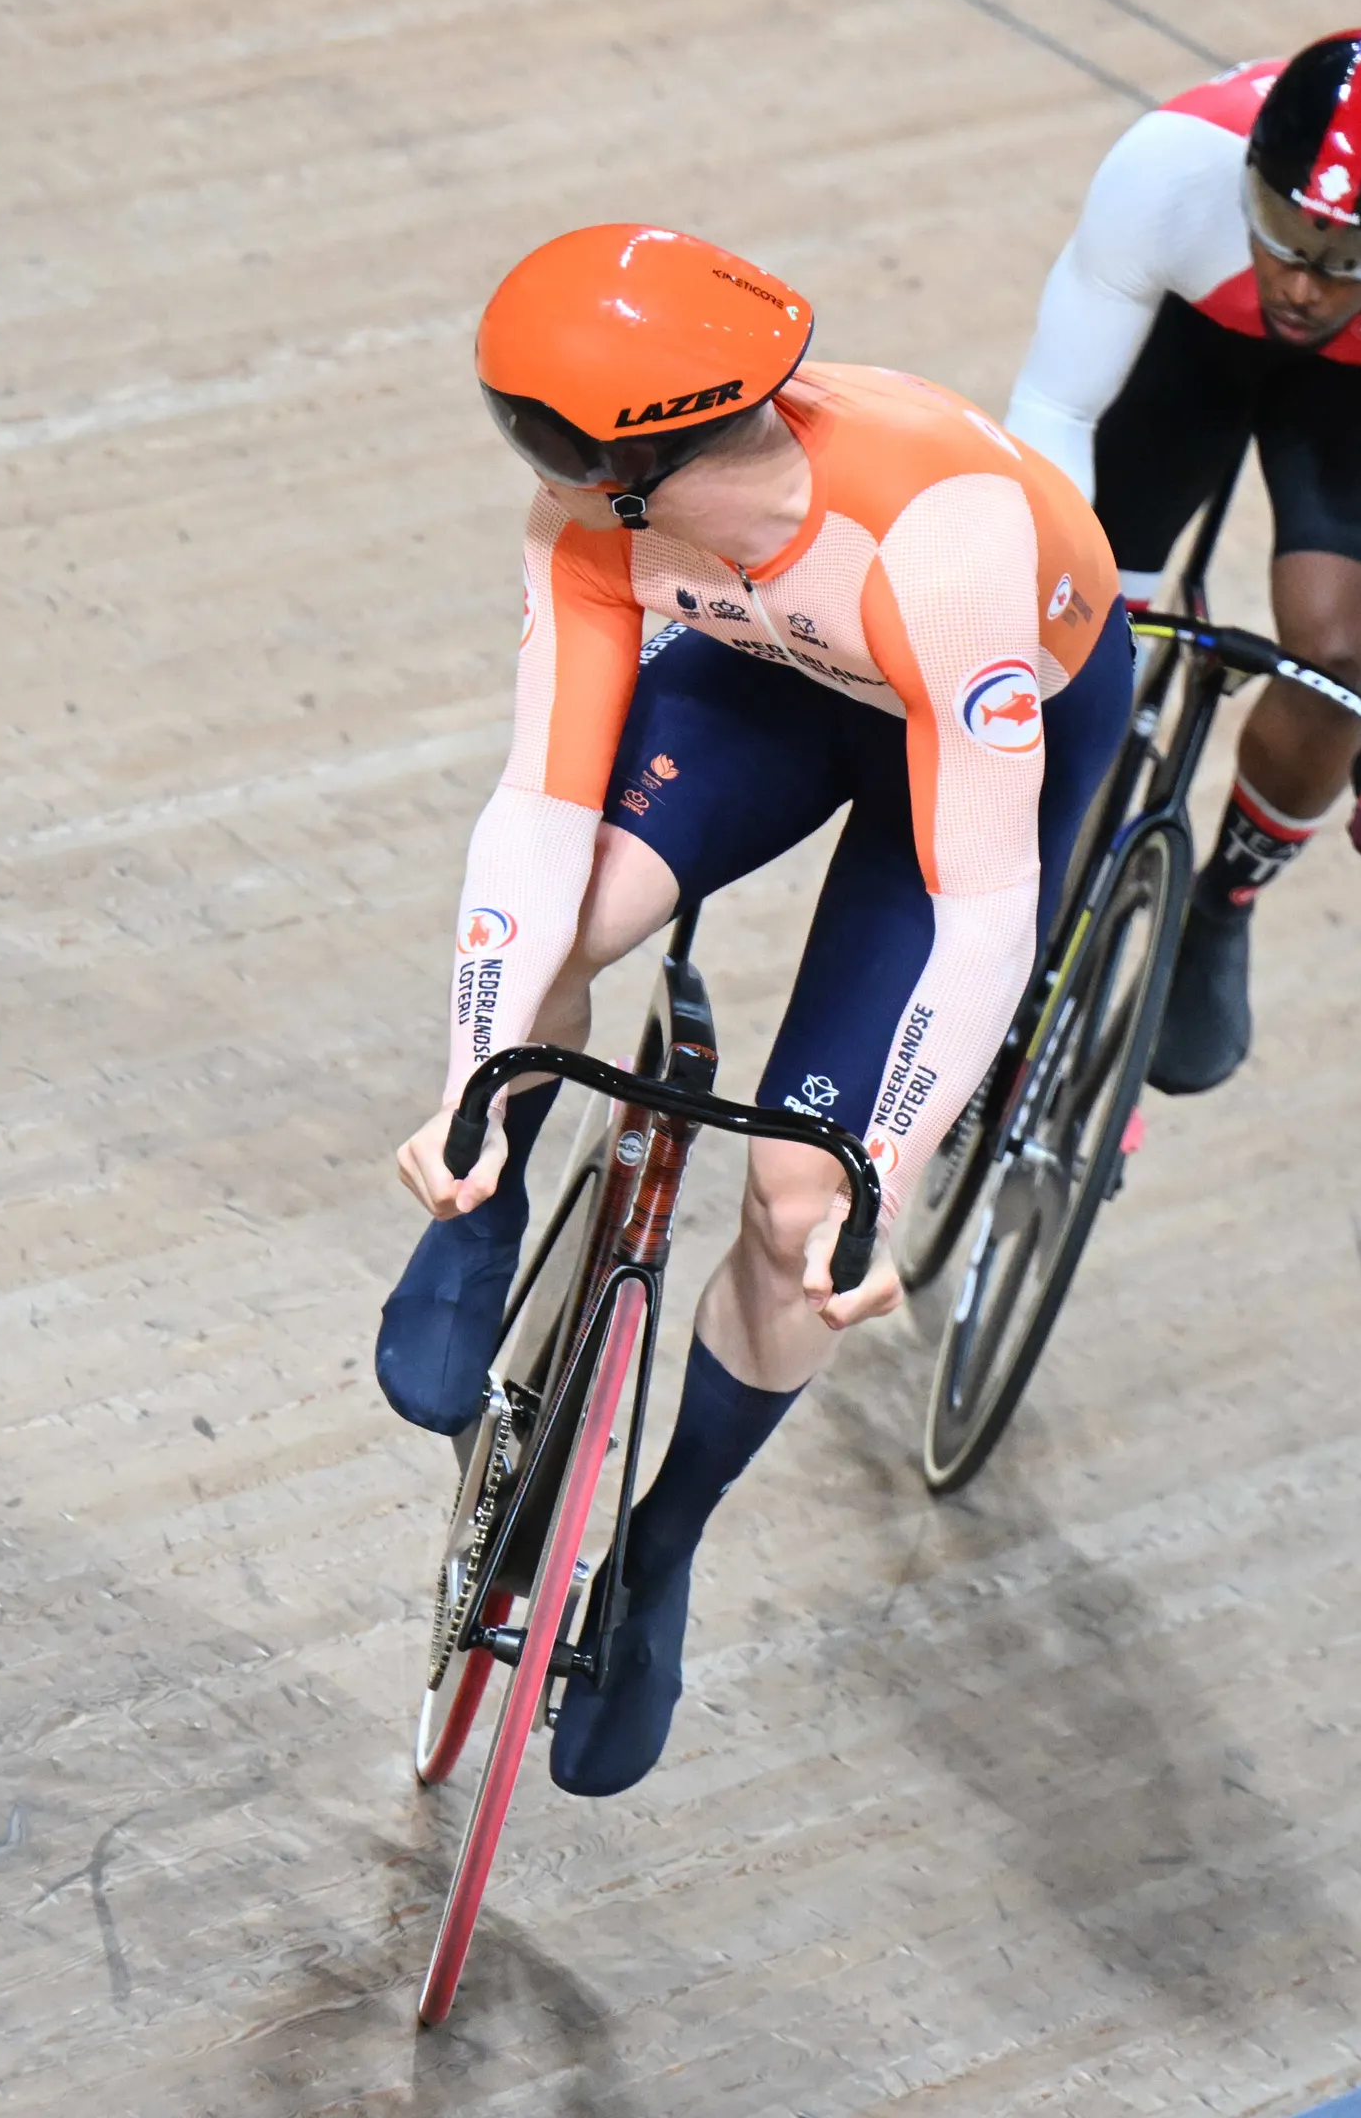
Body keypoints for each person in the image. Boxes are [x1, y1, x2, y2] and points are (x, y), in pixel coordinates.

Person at [384, 223, 1126, 1794]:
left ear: (632, 452)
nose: (530, 462)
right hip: (775, 670)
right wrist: (475, 1071)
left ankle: (660, 1550)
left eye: (538, 432)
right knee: (567, 928)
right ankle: (482, 1204)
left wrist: (890, 1167)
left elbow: (984, 915)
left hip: (965, 698)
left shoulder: (944, 540)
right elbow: (537, 805)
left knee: (801, 1204)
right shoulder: (596, 518)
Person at [1004, 27, 1361, 1093]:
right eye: (1286, 234)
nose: (1304, 285)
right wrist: (1062, 610)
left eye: (1352, 259)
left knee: (1341, 658)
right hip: (1189, 341)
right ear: (1248, 178)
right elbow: (1056, 408)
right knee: (1082, 651)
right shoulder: (1171, 167)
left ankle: (1225, 902)